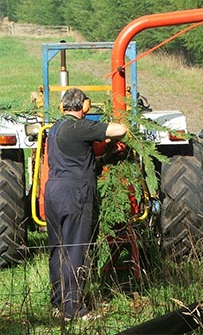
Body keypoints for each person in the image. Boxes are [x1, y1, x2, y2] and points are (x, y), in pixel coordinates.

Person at [44, 88, 127, 320]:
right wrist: (106, 134)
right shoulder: (79, 127)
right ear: (85, 106)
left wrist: (103, 158)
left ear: (62, 107)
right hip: (75, 194)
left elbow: (77, 159)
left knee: (58, 250)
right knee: (75, 249)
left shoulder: (55, 128)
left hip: (53, 192)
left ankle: (58, 304)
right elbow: (120, 129)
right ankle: (74, 310)